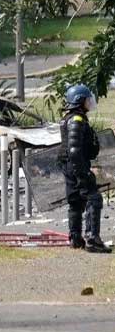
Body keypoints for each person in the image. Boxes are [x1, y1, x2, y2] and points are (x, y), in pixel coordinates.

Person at [59, 84, 111, 254]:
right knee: (94, 199)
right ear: (79, 101)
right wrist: (83, 174)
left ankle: (75, 239)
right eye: (88, 100)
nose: (90, 103)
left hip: (69, 166)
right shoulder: (77, 120)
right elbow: (74, 150)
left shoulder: (68, 118)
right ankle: (92, 239)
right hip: (77, 165)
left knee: (75, 202)